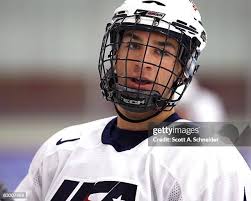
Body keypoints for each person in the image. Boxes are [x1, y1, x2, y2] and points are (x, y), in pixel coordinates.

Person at [16, 0, 251, 200]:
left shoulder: (211, 161)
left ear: (184, 68)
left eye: (162, 51)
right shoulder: (60, 148)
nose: (143, 61)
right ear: (115, 54)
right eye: (133, 45)